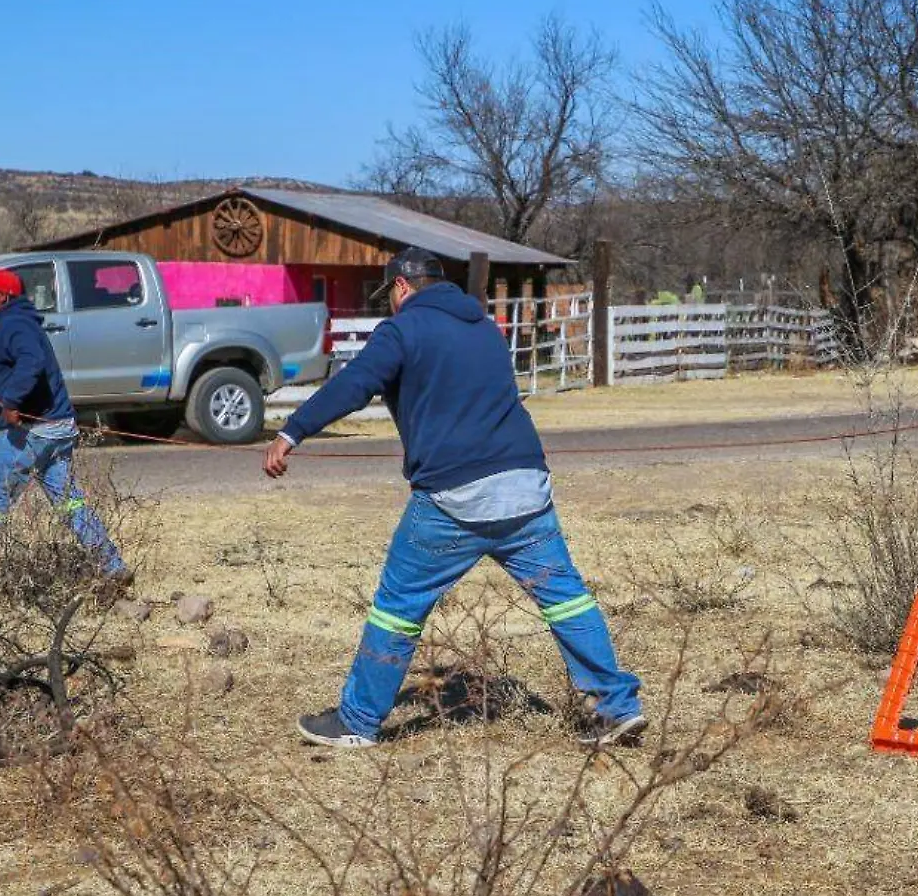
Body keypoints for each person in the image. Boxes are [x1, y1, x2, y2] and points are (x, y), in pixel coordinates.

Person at [265, 249, 645, 749]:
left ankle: (356, 722)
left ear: (402, 287)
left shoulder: (402, 331)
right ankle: (618, 706)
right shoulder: (484, 327)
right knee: (566, 597)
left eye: (391, 296)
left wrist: (293, 431)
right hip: (525, 490)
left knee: (397, 607)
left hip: (452, 500)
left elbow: (355, 384)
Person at [0, 267, 129, 581]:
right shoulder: (12, 326)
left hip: (29, 432)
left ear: (2, 296)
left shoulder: (15, 326)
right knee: (69, 503)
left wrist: (13, 402)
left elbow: (32, 362)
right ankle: (112, 566)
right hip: (57, 431)